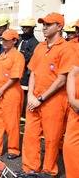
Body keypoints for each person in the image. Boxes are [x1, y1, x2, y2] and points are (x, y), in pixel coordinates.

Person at [22, 13, 74, 176]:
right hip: (35, 99)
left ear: (59, 27)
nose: (44, 27)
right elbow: (33, 73)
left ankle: (48, 170)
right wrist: (31, 95)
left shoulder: (67, 49)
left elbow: (62, 79)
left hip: (54, 101)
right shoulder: (40, 47)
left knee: (52, 137)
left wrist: (41, 98)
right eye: (43, 24)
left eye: (48, 24)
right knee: (30, 135)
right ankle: (30, 168)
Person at [0, 29, 25, 159]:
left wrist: (2, 89)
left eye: (7, 40)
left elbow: (15, 77)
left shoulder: (18, 56)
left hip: (11, 93)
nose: (3, 42)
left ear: (14, 41)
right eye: (2, 39)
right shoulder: (0, 55)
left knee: (12, 122)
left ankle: (13, 150)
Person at [63, 20, 79, 178]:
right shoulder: (75, 49)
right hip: (76, 108)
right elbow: (73, 73)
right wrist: (73, 100)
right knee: (70, 146)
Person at [18, 18, 39, 118]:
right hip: (17, 73)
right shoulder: (20, 40)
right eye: (23, 27)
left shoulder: (35, 43)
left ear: (32, 28)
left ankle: (24, 116)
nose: (24, 29)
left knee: (25, 94)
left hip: (26, 74)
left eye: (27, 27)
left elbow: (28, 58)